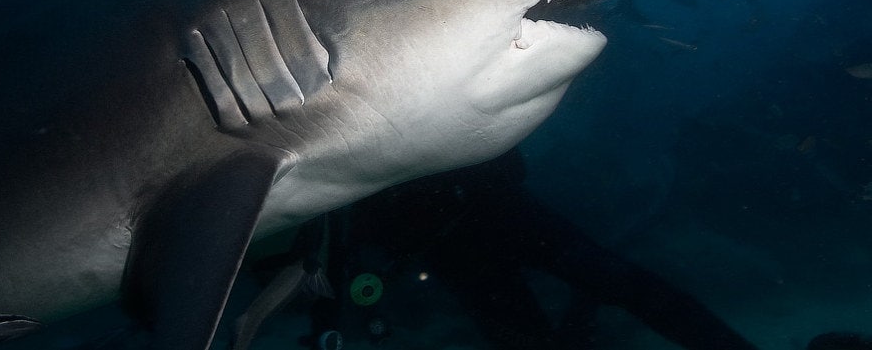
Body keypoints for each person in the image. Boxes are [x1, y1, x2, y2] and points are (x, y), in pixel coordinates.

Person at [297, 147, 762, 350]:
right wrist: (325, 323)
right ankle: (582, 312)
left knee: (627, 284)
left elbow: (513, 167)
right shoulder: (342, 161)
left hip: (506, 215)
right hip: (460, 256)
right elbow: (335, 240)